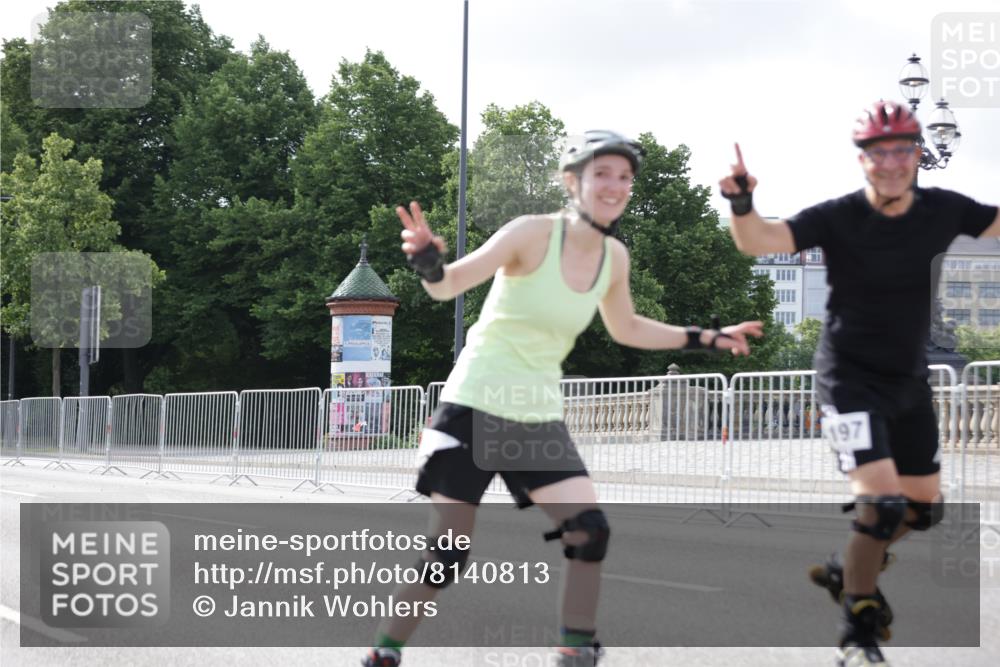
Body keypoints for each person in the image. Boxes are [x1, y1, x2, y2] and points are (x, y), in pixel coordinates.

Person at [361, 130, 764, 667]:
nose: (616, 186)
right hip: (476, 405)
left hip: (535, 417)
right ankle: (385, 653)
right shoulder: (530, 233)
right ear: (572, 181)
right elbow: (446, 286)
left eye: (625, 177)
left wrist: (706, 337)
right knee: (449, 552)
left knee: (588, 530)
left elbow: (627, 328)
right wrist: (430, 261)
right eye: (603, 173)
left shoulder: (613, 258)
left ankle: (575, 651)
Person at [719, 100, 1000, 667]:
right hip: (847, 381)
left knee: (924, 510)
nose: (891, 163)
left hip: (908, 380)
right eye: (878, 153)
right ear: (863, 161)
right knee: (882, 509)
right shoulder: (838, 216)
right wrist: (742, 202)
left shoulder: (944, 209)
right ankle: (858, 630)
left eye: (902, 150)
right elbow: (759, 241)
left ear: (918, 154)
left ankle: (849, 568)